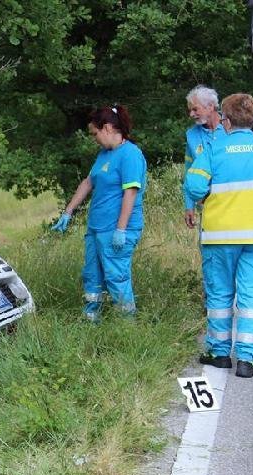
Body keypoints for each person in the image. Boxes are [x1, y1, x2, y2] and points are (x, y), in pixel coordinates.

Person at [184, 93, 253, 378]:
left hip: (219, 236)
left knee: (220, 295)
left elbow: (194, 185)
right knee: (252, 296)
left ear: (225, 120)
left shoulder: (214, 148)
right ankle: (248, 360)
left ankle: (219, 353)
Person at [51, 105, 147, 322]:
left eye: (95, 133)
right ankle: (91, 317)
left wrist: (121, 229)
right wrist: (68, 211)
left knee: (116, 276)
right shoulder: (104, 155)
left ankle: (127, 324)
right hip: (96, 228)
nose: (94, 138)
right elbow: (88, 182)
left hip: (116, 229)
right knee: (92, 275)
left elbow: (130, 193)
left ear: (107, 128)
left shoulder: (130, 154)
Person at [183, 85, 224, 229]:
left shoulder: (232, 127)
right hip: (206, 206)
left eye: (195, 109)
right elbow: (189, 172)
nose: (191, 114)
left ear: (211, 106)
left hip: (233, 201)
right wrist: (189, 206)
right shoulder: (191, 136)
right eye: (190, 110)